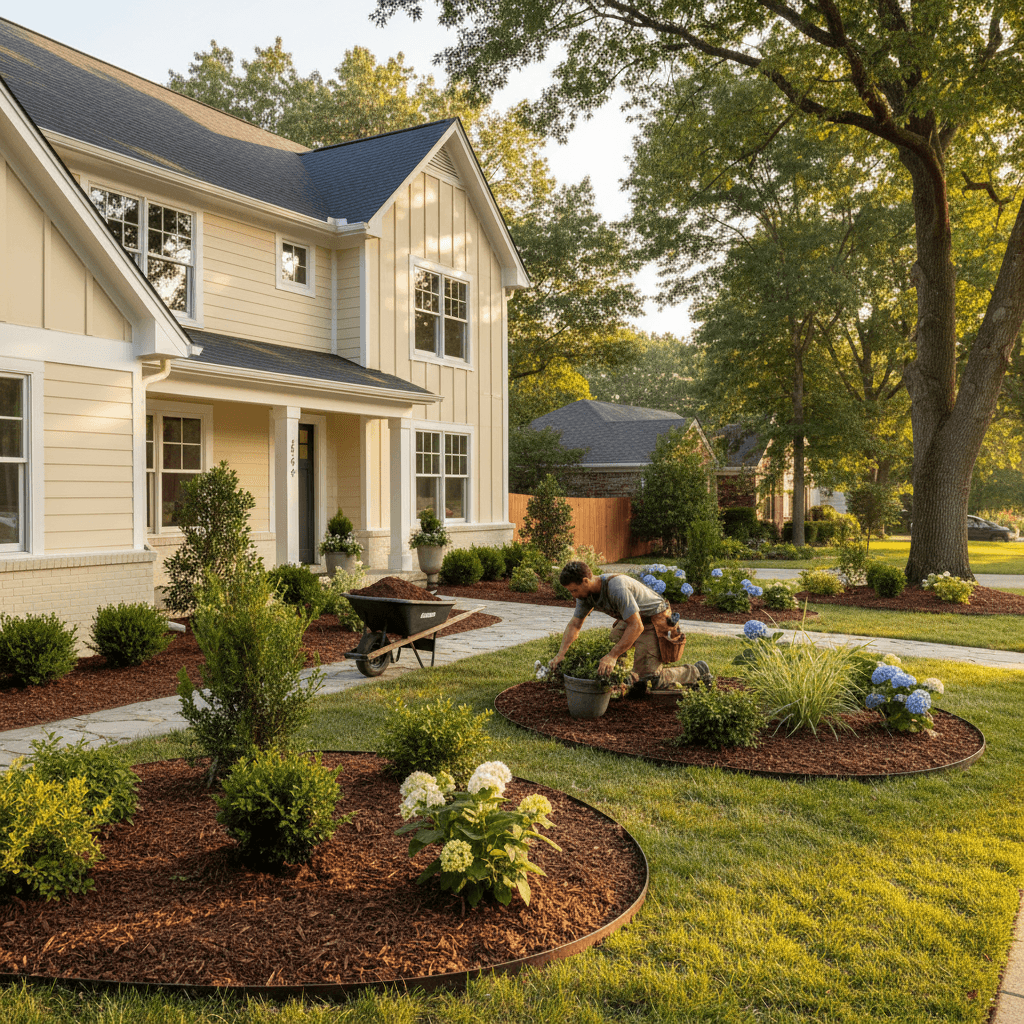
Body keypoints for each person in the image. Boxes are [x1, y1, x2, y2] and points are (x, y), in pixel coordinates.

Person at [548, 561, 713, 689]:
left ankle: (697, 670)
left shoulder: (616, 587)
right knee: (604, 651)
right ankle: (622, 682)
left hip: (653, 620)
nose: (573, 595)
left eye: (573, 590)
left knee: (650, 679)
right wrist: (562, 653)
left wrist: (613, 656)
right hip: (630, 620)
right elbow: (575, 625)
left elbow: (637, 626)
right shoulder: (585, 596)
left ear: (585, 581)